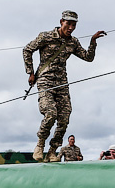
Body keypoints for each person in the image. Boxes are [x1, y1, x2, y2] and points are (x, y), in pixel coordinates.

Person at [24, 10, 106, 163]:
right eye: (68, 23)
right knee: (50, 113)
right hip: (45, 81)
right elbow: (27, 49)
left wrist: (93, 41)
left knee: (64, 117)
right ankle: (40, 145)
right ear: (61, 21)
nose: (70, 27)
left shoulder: (73, 42)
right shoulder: (46, 36)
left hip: (62, 83)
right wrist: (30, 72)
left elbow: (88, 58)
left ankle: (53, 151)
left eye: (73, 25)